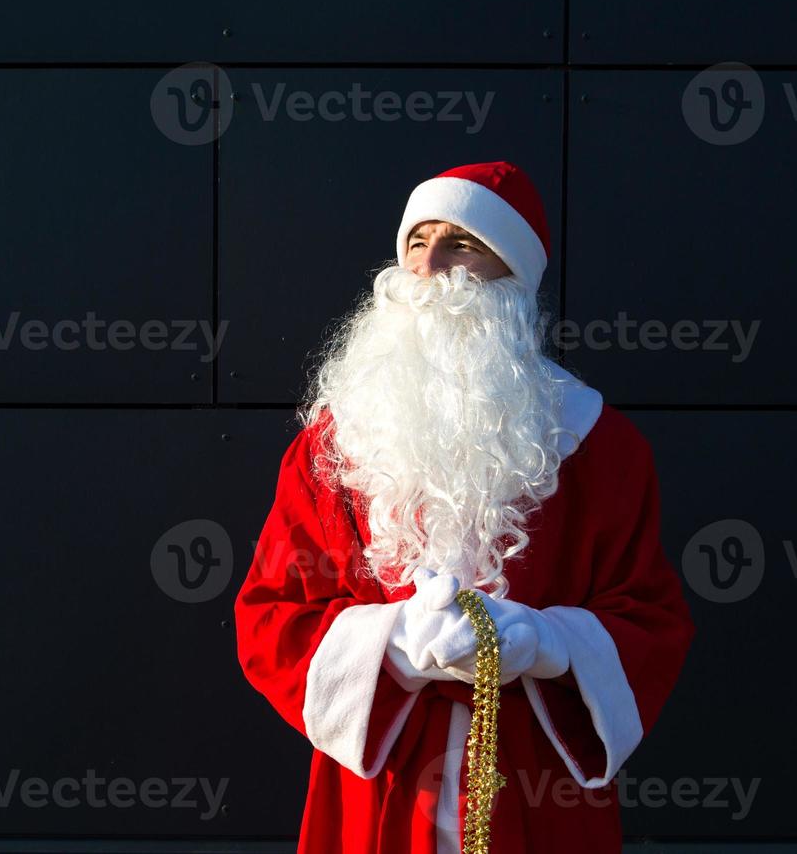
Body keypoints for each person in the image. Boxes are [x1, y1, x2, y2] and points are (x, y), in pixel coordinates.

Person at [232, 161, 696, 853]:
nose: (429, 265)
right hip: (382, 788)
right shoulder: (334, 443)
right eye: (418, 241)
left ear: (512, 277)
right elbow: (272, 613)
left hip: (534, 785)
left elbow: (650, 618)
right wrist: (391, 642)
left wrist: (546, 646)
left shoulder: (601, 444)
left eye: (462, 244)